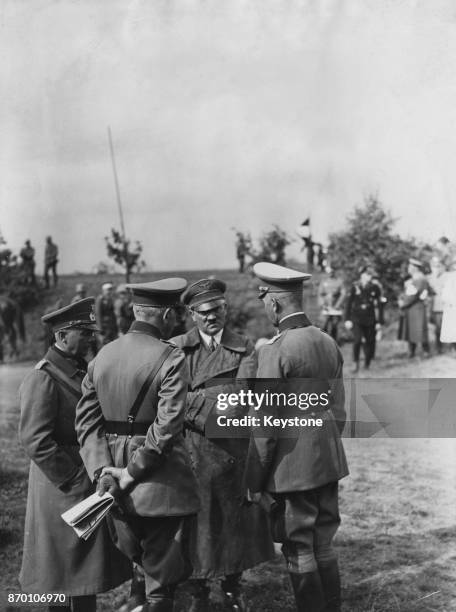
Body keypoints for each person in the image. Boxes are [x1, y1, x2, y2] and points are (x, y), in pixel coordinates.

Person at [75, 279, 200, 612]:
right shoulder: (171, 357)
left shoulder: (102, 356)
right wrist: (132, 472)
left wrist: (103, 472)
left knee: (139, 557)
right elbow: (168, 425)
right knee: (162, 576)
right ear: (165, 316)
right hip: (158, 482)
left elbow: (86, 423)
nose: (177, 319)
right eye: (175, 313)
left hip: (112, 484)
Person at [245, 262, 348, 612]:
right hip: (328, 457)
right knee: (323, 541)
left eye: (265, 302)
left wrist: (255, 481)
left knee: (298, 545)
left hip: (293, 465)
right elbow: (340, 410)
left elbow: (264, 425)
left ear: (274, 304)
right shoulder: (328, 341)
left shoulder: (275, 350)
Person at [18, 298, 132, 612]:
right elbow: (35, 439)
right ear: (63, 336)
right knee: (62, 568)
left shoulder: (79, 370)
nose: (91, 337)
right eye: (84, 332)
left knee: (81, 571)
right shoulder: (44, 377)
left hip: (80, 480)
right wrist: (74, 477)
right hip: (61, 485)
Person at [172, 278, 275, 612]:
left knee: (233, 525)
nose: (211, 317)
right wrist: (213, 399)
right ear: (191, 315)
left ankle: (233, 589)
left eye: (216, 309)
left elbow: (240, 399)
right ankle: (197, 591)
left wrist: (192, 401)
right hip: (190, 454)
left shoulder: (244, 347)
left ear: (225, 309)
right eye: (203, 313)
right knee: (195, 526)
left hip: (231, 453)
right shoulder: (176, 348)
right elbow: (167, 398)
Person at [344, 265, 384, 372]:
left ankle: (367, 363)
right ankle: (355, 363)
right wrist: (347, 319)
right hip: (356, 318)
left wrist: (379, 321)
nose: (370, 276)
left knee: (370, 341)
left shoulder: (375, 287)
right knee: (357, 340)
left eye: (371, 274)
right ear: (362, 275)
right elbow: (348, 304)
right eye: (367, 274)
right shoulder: (355, 286)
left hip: (370, 319)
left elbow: (379, 306)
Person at [398, 258, 431, 358]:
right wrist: (401, 298)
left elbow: (414, 295)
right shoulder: (412, 279)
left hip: (417, 308)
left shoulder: (420, 279)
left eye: (410, 266)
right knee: (411, 330)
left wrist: (403, 303)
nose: (408, 268)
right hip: (411, 308)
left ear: (415, 268)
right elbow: (407, 292)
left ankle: (426, 351)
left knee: (419, 330)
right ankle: (411, 351)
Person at [317, 266, 346, 343]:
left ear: (334, 272)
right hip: (326, 307)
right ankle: (324, 342)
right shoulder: (323, 282)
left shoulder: (339, 281)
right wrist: (323, 304)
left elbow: (343, 293)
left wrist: (338, 304)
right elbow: (320, 294)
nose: (330, 274)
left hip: (336, 307)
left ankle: (334, 342)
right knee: (324, 325)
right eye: (328, 272)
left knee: (334, 325)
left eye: (331, 272)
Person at [428, 256, 447, 353]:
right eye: (434, 266)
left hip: (445, 307)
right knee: (437, 329)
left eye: (438, 266)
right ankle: (439, 348)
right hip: (433, 307)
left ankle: (452, 347)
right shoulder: (429, 278)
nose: (436, 268)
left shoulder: (446, 277)